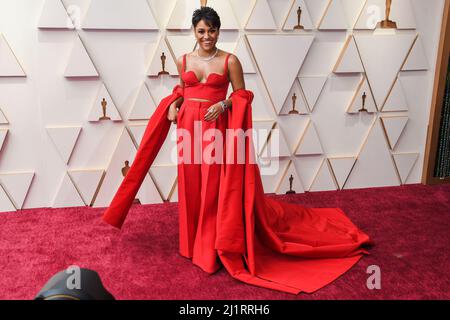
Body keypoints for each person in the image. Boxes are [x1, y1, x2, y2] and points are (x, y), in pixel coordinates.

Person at [102, 7, 374, 294]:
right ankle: (192, 243)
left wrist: (225, 104)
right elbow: (182, 89)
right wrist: (173, 104)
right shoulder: (183, 59)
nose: (207, 36)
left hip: (216, 129)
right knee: (192, 185)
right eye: (201, 31)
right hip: (188, 129)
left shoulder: (230, 60)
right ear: (194, 32)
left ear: (219, 30)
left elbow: (243, 94)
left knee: (214, 188)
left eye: (212, 30)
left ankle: (211, 249)